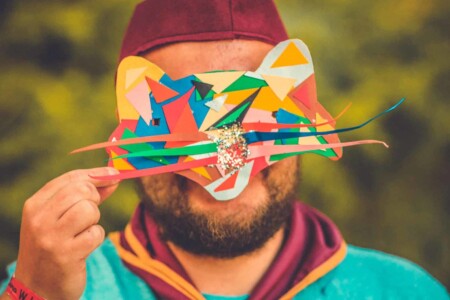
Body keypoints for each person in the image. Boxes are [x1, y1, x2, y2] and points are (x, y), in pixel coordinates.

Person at [0, 1, 448, 299]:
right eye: (181, 122)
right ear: (132, 122)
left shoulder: (404, 291)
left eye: (253, 117)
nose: (223, 158)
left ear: (301, 103)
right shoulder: (54, 282)